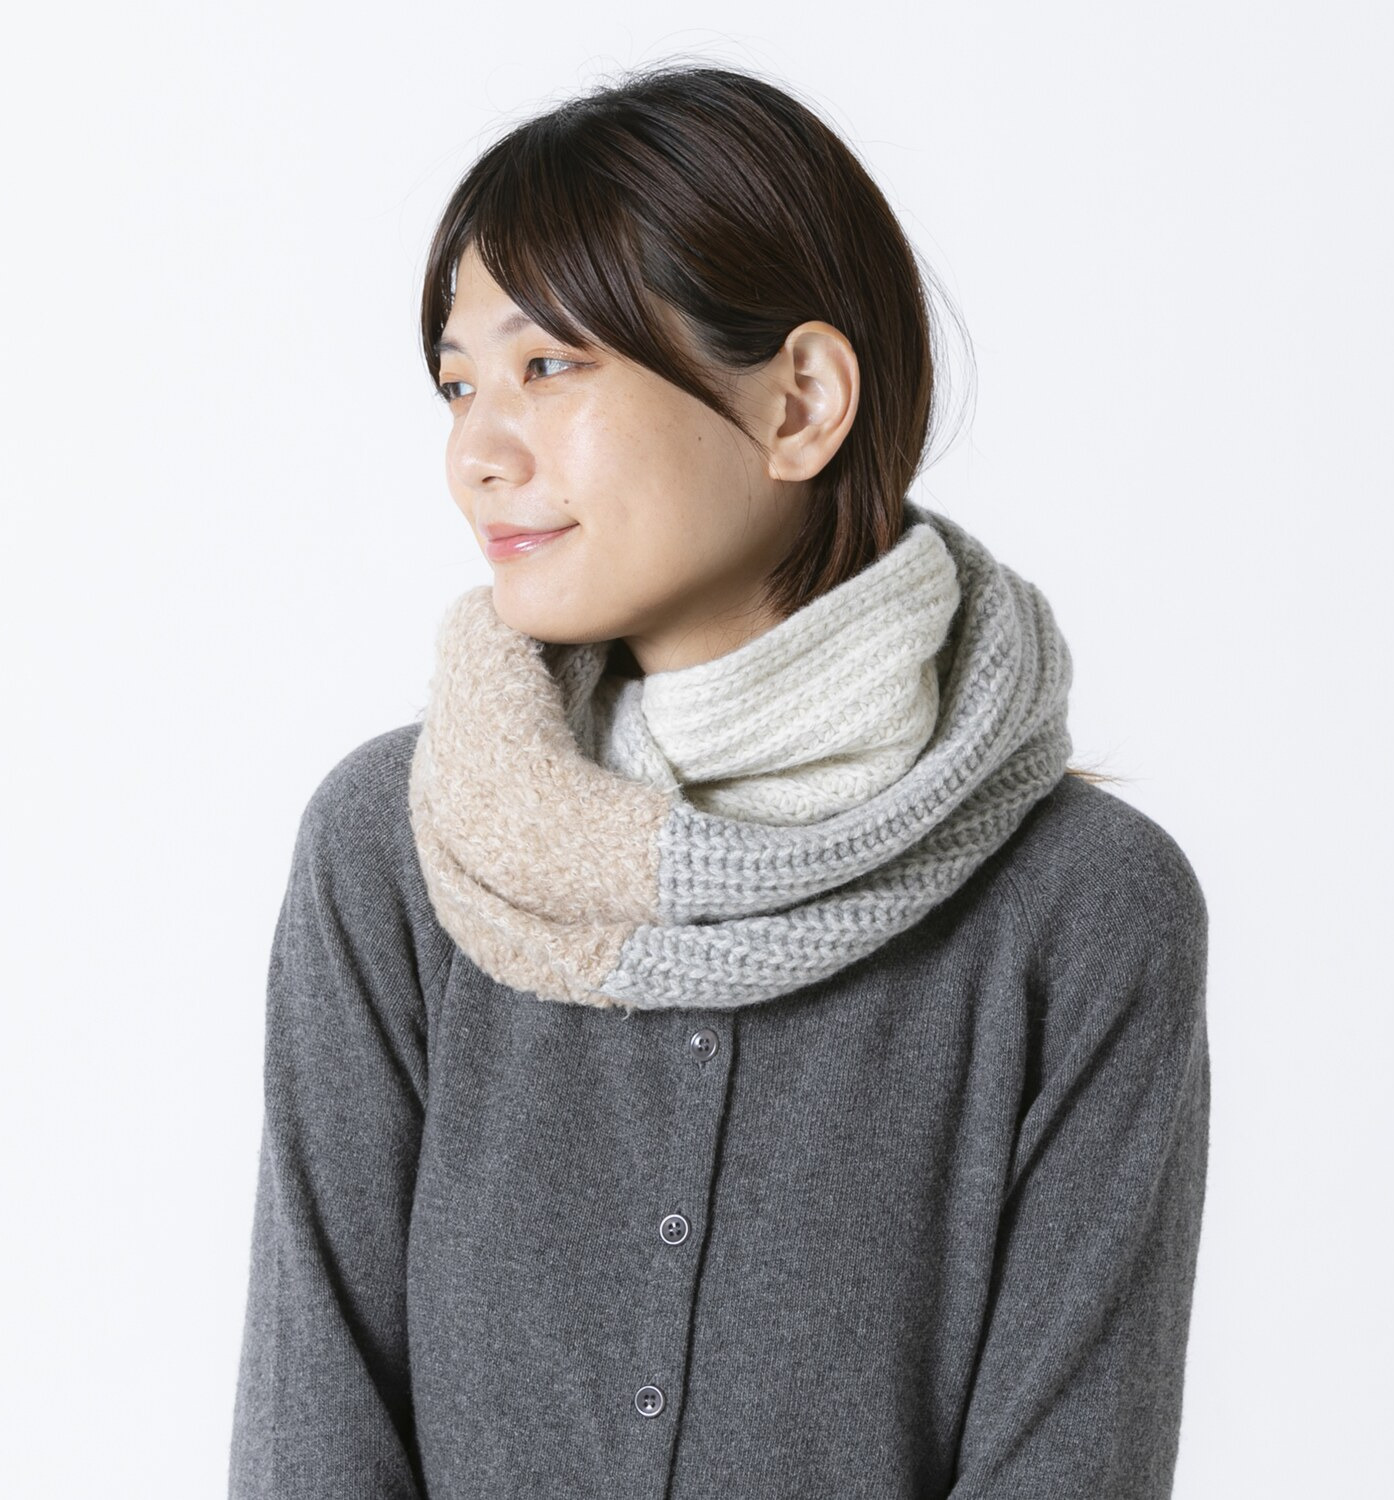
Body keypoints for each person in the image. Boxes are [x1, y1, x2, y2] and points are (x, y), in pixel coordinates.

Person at [227, 61, 1210, 1500]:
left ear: (800, 402)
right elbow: (312, 1433)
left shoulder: (1084, 912)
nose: (477, 453)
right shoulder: (400, 846)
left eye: (549, 366)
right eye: (458, 384)